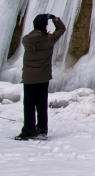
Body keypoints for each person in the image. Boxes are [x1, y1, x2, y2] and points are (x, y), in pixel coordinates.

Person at [14, 13, 66, 141]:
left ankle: (28, 130)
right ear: (45, 26)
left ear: (34, 26)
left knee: (29, 104)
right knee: (41, 104)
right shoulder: (49, 40)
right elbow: (61, 29)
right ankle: (42, 130)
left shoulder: (26, 40)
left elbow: (33, 37)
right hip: (43, 77)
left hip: (29, 77)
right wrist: (55, 19)